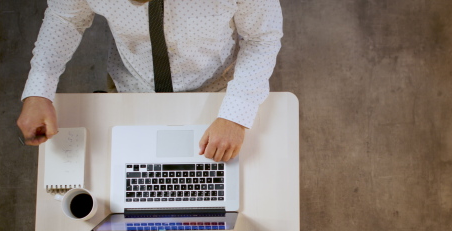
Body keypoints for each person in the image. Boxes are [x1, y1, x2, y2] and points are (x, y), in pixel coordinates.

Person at [17, 0, 283, 162]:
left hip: (214, 88)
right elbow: (65, 18)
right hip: (131, 84)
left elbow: (262, 38)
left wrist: (236, 115)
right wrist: (38, 91)